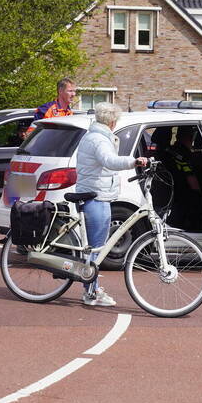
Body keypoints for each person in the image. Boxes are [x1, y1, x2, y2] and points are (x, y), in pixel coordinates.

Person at [74, 102, 147, 306]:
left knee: (95, 247)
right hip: (96, 196)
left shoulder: (93, 136)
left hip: (98, 194)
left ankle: (91, 289)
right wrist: (134, 162)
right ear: (113, 121)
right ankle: (91, 292)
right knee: (96, 249)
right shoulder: (99, 140)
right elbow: (109, 161)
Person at [166, 125, 202, 231]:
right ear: (189, 137)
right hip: (182, 191)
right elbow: (190, 177)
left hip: (172, 189)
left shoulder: (170, 150)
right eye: (192, 136)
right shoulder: (183, 154)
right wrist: (200, 193)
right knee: (197, 202)